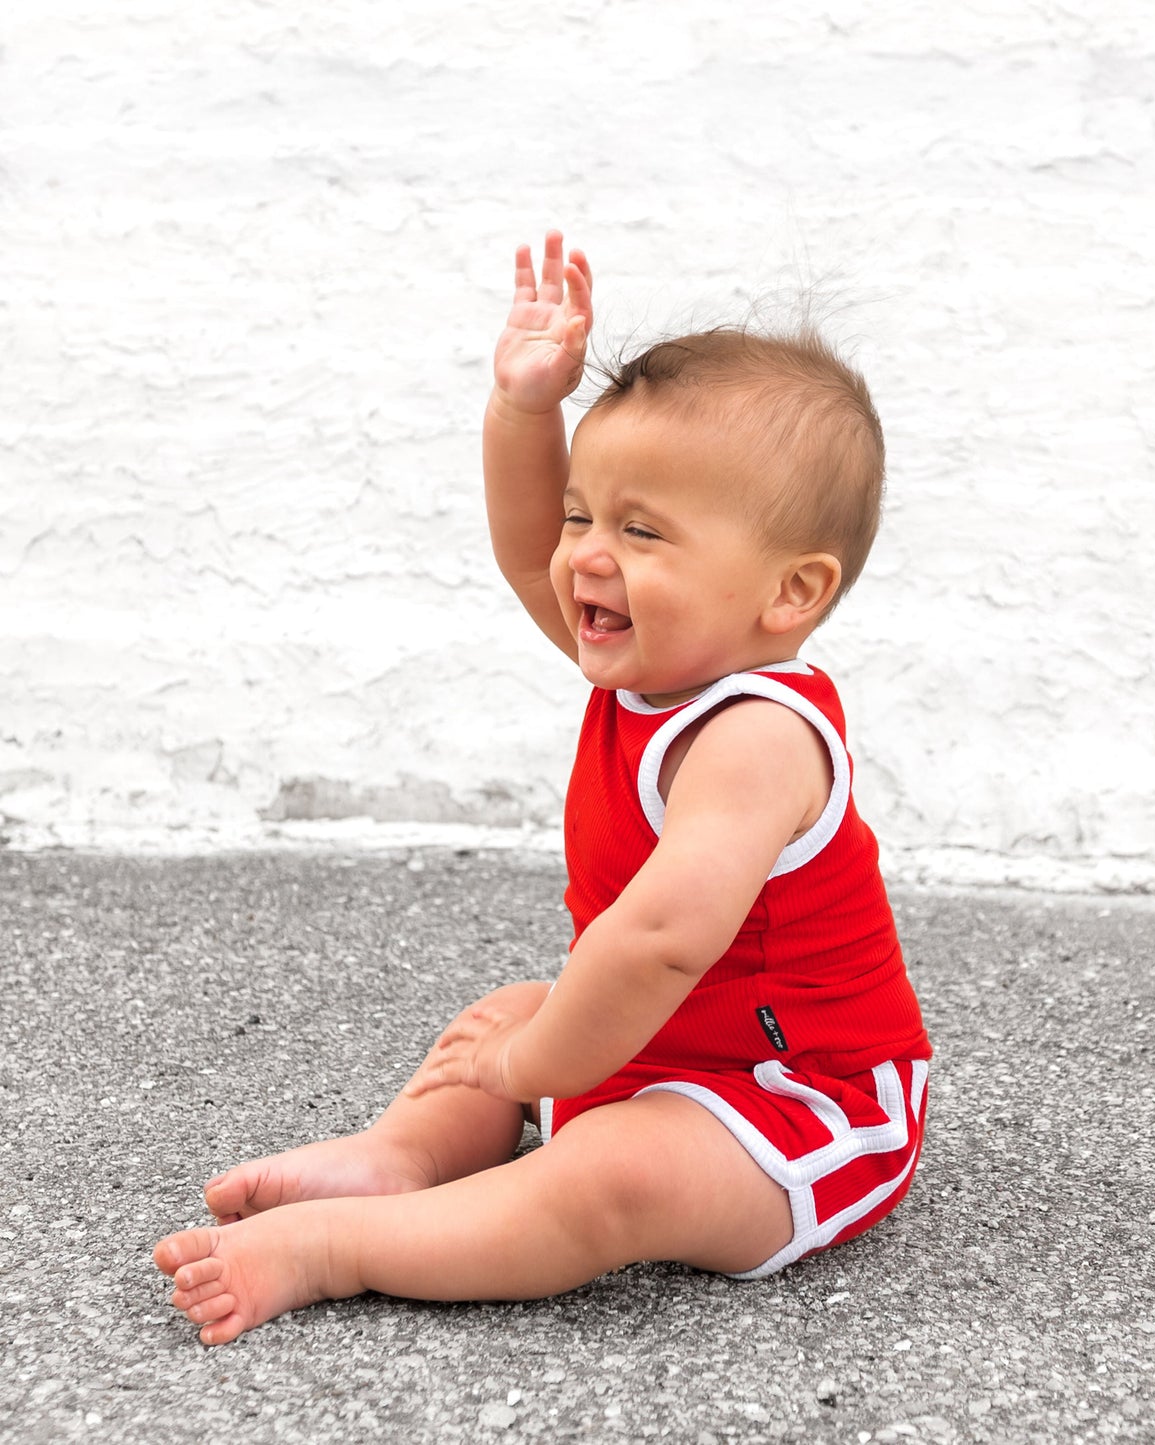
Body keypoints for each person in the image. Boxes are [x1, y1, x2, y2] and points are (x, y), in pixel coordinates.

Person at [152, 230, 931, 1346]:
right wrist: (525, 410)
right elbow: (525, 555)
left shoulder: (758, 733)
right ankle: (401, 1157)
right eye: (583, 515)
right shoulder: (647, 667)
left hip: (799, 1096)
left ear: (787, 591)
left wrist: (537, 1065)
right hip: (651, 1052)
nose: (584, 557)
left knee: (602, 1162)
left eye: (641, 529)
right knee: (512, 1007)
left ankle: (336, 1247)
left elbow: (662, 938)